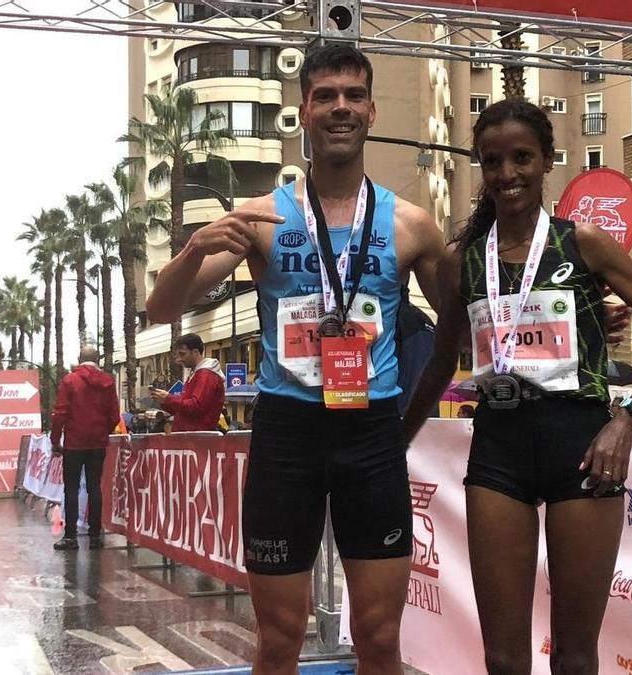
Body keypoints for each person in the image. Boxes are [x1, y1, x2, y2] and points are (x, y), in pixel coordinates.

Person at [144, 44, 448, 672]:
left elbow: (467, 325)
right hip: (287, 436)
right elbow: (161, 309)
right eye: (325, 96)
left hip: (371, 433)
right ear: (304, 111)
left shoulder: (411, 224)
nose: (341, 107)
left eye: (354, 95)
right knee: (280, 638)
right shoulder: (261, 218)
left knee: (380, 639)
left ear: (371, 111)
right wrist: (195, 247)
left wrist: (411, 419)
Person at [399, 99, 632, 673]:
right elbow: (442, 361)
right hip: (499, 448)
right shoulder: (462, 262)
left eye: (522, 158)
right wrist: (397, 438)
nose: (507, 173)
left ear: (547, 161)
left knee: (575, 657)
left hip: (582, 448)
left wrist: (628, 419)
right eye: (492, 161)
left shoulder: (583, 242)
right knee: (503, 659)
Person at [49, 346, 120, 551]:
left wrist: (55, 440)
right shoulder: (108, 382)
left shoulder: (70, 380)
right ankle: (95, 535)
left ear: (79, 359)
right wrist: (103, 431)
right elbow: (114, 415)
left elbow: (60, 413)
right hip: (97, 442)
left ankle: (70, 536)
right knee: (94, 487)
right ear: (97, 359)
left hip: (74, 442)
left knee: (71, 488)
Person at [150, 333, 226, 432]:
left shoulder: (205, 375)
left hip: (196, 436)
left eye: (182, 354)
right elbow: (185, 408)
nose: (179, 359)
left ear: (195, 352)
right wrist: (164, 401)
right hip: (192, 435)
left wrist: (168, 399)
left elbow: (196, 407)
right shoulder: (197, 374)